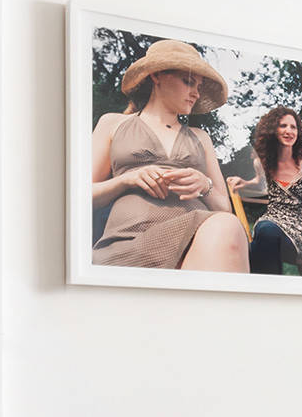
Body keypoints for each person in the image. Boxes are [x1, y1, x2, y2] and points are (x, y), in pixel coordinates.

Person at [91, 39, 247, 271]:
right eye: (188, 82)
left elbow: (224, 208)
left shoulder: (200, 137)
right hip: (131, 240)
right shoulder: (113, 123)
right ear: (157, 76)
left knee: (227, 225)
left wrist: (205, 185)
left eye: (199, 86)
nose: (195, 93)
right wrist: (126, 180)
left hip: (198, 239)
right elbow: (79, 195)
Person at [227, 106, 302, 275]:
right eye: (283, 126)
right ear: (272, 130)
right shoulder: (263, 163)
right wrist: (244, 183)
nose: (289, 131)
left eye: (293, 127)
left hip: (301, 229)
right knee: (265, 232)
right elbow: (260, 182)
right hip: (271, 220)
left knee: (259, 243)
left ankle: (261, 289)